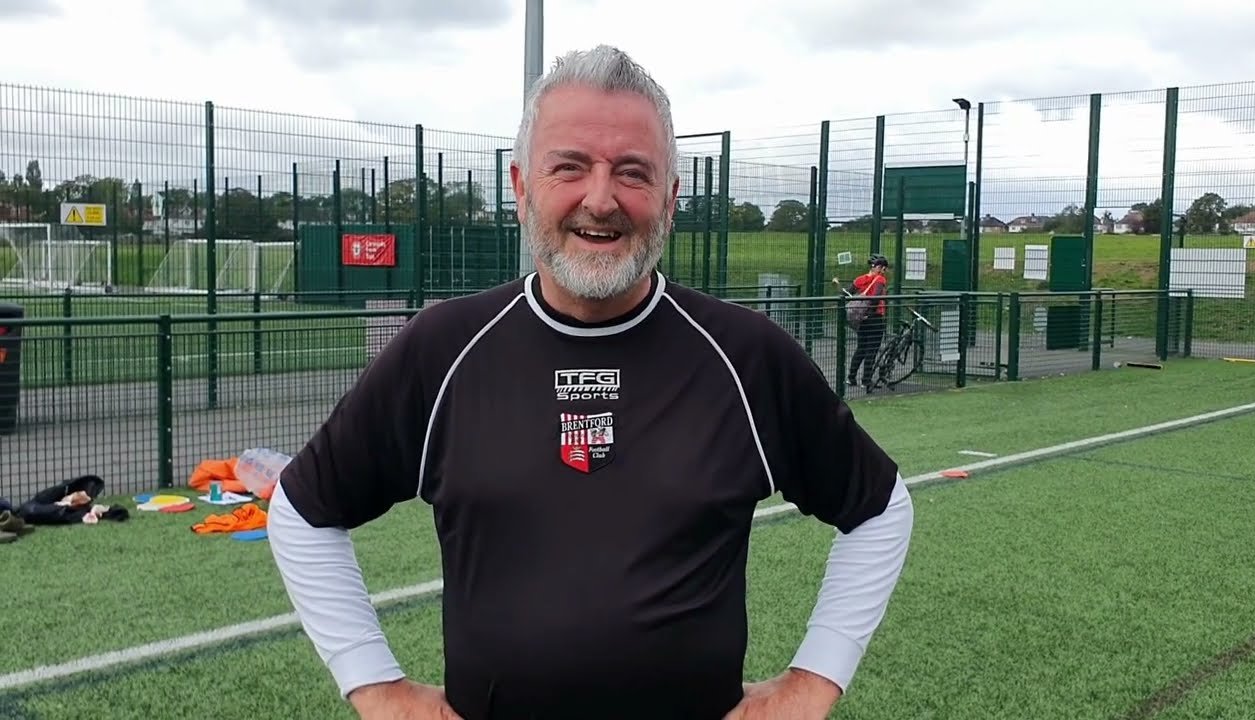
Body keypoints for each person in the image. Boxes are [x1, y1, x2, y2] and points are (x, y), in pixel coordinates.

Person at [267, 45, 914, 720]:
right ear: (522, 188)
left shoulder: (745, 355)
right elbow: (304, 510)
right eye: (569, 167)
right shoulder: (443, 349)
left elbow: (879, 508)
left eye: (632, 172)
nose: (600, 200)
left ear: (670, 198)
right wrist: (378, 688)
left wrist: (812, 683)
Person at [847, 254, 890, 393]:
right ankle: (866, 380)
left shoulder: (860, 279)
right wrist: (870, 312)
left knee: (861, 348)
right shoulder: (880, 279)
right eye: (884, 268)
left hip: (861, 319)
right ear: (880, 268)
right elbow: (876, 298)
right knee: (872, 350)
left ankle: (851, 377)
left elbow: (848, 293)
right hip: (875, 318)